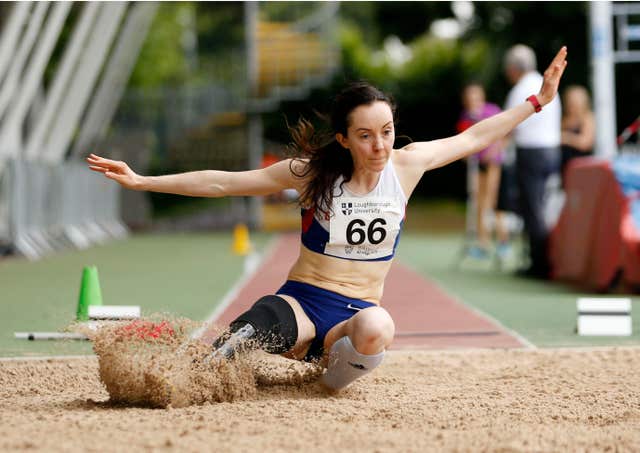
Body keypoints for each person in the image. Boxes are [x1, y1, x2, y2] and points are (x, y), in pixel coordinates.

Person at [87, 46, 567, 391]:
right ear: (343, 138)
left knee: (380, 328)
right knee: (241, 341)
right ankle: (174, 379)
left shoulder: (407, 165)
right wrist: (144, 181)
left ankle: (322, 378)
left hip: (352, 317)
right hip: (301, 303)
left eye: (386, 132)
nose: (379, 146)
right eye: (365, 135)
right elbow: (224, 182)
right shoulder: (313, 174)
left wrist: (536, 102)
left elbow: (473, 138)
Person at [504, 44, 562, 279]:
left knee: (533, 208)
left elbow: (509, 124)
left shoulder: (520, 89)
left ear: (514, 68)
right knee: (544, 206)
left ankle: (539, 264)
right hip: (552, 150)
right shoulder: (544, 84)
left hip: (531, 152)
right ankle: (540, 260)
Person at [457, 82, 510, 260]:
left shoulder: (491, 110)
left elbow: (504, 135)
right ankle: (483, 243)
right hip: (476, 164)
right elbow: (463, 139)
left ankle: (503, 241)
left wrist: (493, 152)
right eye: (469, 97)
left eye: (475, 96)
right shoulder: (466, 115)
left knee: (491, 201)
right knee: (478, 201)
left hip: (492, 163)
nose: (472, 100)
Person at [560, 85, 595, 186]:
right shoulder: (564, 119)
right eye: (570, 101)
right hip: (565, 168)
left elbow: (585, 142)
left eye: (575, 101)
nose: (572, 105)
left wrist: (566, 138)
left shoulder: (587, 118)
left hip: (582, 168)